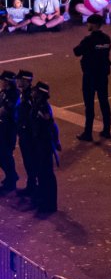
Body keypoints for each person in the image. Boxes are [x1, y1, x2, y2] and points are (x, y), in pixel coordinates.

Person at [72, 13, 111, 142]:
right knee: (104, 102)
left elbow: (77, 51)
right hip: (102, 75)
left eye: (89, 23)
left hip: (90, 76)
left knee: (89, 105)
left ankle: (88, 133)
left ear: (93, 25)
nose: (87, 25)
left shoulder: (89, 40)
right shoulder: (106, 39)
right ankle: (107, 130)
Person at [22, 82, 57, 217]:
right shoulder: (37, 105)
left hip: (44, 144)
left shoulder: (43, 108)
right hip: (38, 143)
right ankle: (43, 199)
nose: (33, 92)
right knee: (41, 173)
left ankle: (50, 204)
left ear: (40, 93)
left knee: (47, 174)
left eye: (35, 91)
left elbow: (50, 126)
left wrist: (55, 141)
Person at [0, 71, 18, 194]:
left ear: (8, 82)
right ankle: (11, 176)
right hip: (3, 129)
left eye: (3, 80)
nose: (1, 83)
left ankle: (11, 179)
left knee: (5, 155)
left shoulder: (13, 95)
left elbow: (4, 111)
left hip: (8, 130)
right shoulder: (4, 93)